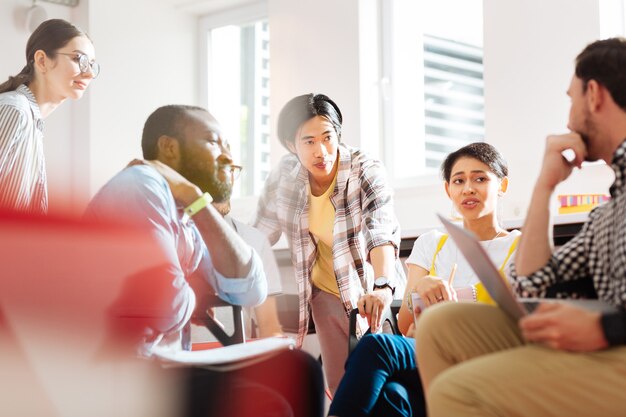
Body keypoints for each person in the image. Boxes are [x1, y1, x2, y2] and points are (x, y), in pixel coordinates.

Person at [415, 37, 626, 417]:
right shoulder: (611, 208)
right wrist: (545, 185)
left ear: (593, 95)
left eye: (571, 99)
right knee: (441, 324)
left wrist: (606, 328)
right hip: (606, 339)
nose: (568, 119)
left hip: (616, 343)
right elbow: (532, 282)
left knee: (457, 391)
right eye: (458, 181)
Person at [86, 104, 324, 417]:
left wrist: (196, 199)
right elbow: (164, 304)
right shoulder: (140, 185)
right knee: (269, 403)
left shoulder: (184, 207)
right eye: (214, 143)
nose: (227, 156)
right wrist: (192, 290)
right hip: (124, 374)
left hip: (167, 366)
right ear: (169, 147)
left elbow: (251, 289)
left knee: (300, 368)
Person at [329, 142, 520, 417]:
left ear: (502, 186)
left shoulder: (519, 247)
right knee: (392, 394)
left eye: (480, 178)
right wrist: (419, 286)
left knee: (376, 346)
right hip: (429, 352)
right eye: (459, 180)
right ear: (448, 189)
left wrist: (453, 299)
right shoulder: (432, 243)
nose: (468, 188)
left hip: (483, 356)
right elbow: (406, 324)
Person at [253, 93, 406, 393]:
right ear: (290, 145)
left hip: (371, 288)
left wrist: (383, 286)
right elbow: (258, 237)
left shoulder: (366, 168)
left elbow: (381, 229)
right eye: (308, 141)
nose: (321, 151)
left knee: (385, 387)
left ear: (338, 135)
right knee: (341, 389)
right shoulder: (284, 176)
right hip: (324, 294)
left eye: (328, 137)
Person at [0, 19, 98, 214]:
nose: (88, 74)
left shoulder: (32, 122)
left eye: (92, 65)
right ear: (42, 61)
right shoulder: (15, 110)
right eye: (79, 60)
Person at [202, 160, 283, 338]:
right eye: (215, 169)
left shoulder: (254, 240)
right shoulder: (163, 237)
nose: (227, 179)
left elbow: (269, 327)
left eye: (230, 169)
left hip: (235, 359)